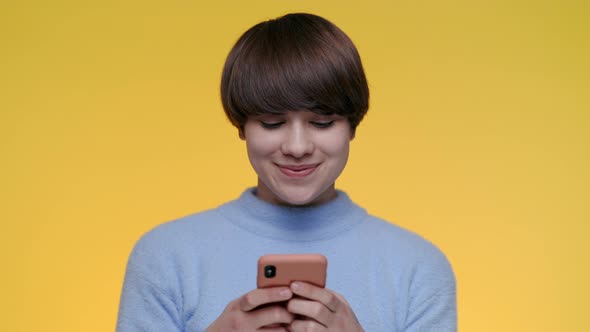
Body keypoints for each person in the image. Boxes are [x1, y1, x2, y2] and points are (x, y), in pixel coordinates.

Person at [117, 13, 456, 331]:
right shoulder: (165, 256)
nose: (297, 147)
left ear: (352, 125)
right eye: (272, 122)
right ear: (241, 126)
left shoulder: (418, 268)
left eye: (322, 122)